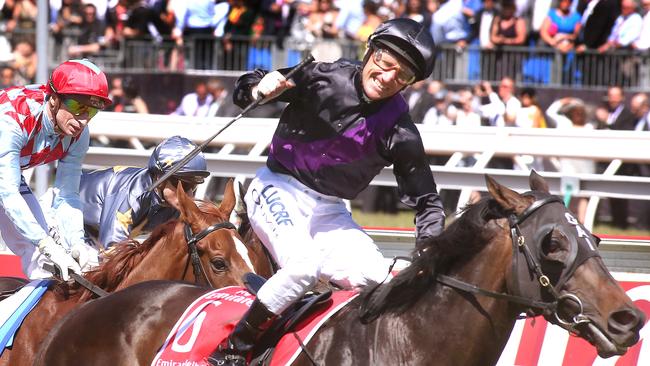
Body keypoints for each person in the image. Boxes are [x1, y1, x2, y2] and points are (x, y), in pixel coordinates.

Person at [208, 18, 445, 365]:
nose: (389, 76)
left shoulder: (401, 130)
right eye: (385, 62)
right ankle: (230, 351)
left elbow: (427, 203)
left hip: (331, 209)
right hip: (277, 185)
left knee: (378, 279)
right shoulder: (323, 75)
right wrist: (260, 86)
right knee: (303, 266)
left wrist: (431, 256)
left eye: (404, 75)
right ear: (370, 52)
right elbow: (246, 87)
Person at [0, 59, 111, 281]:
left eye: (92, 111)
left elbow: (67, 195)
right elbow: (8, 193)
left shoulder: (79, 135)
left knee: (43, 261)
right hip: (7, 181)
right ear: (54, 99)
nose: (83, 120)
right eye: (78, 107)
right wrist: (46, 243)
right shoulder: (13, 120)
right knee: (43, 244)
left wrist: (77, 242)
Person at [79, 135, 210, 249]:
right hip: (74, 223)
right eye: (183, 184)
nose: (188, 195)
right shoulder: (132, 193)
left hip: (99, 234)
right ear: (159, 177)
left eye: (193, 186)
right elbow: (111, 249)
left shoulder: (172, 203)